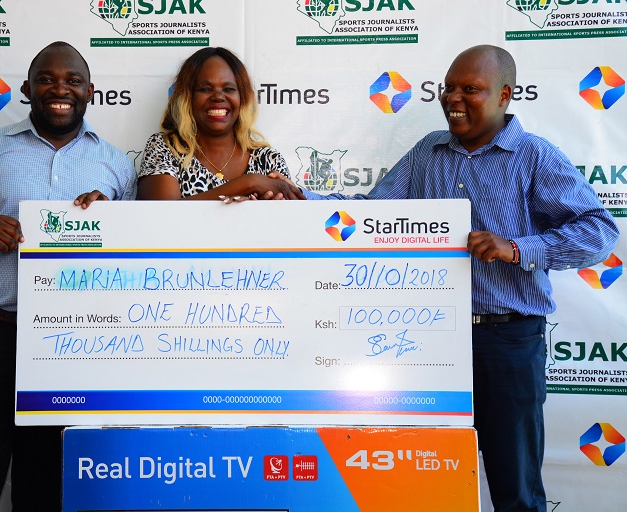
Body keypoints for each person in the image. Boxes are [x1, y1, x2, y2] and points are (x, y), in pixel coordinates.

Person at [301, 45, 619, 511]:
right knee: (426, 477)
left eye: (471, 89)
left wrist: (516, 247)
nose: (454, 97)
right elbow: (369, 215)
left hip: (508, 341)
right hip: (429, 341)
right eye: (449, 87)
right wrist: (295, 201)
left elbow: (599, 231)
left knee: (516, 486)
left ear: (504, 95)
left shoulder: (533, 155)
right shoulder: (428, 151)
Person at [0, 41, 136, 512]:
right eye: (46, 78)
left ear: (90, 92)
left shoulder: (117, 164)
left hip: (76, 347)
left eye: (72, 80)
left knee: (47, 492)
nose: (60, 89)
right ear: (26, 89)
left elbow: (137, 262)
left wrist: (111, 224)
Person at [137, 46, 303, 201]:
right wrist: (249, 183)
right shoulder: (165, 148)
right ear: (187, 98)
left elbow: (289, 223)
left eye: (229, 89)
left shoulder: (268, 159)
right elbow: (162, 216)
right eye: (205, 89)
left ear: (243, 99)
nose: (218, 97)